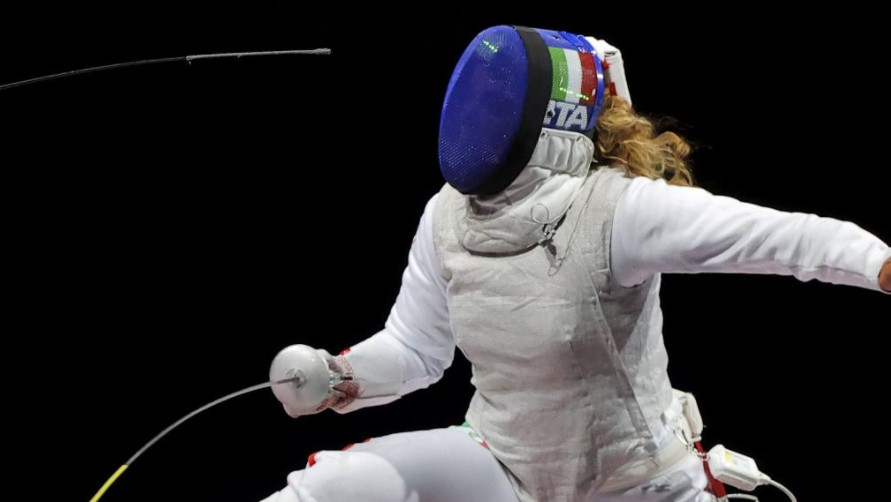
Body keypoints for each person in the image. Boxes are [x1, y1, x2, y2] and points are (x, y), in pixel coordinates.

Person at [260, 25, 890, 502]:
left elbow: (787, 239)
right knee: (330, 488)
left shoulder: (616, 210)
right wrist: (342, 375)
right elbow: (415, 348)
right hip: (506, 464)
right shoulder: (446, 214)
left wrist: (880, 263)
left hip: (636, 483)